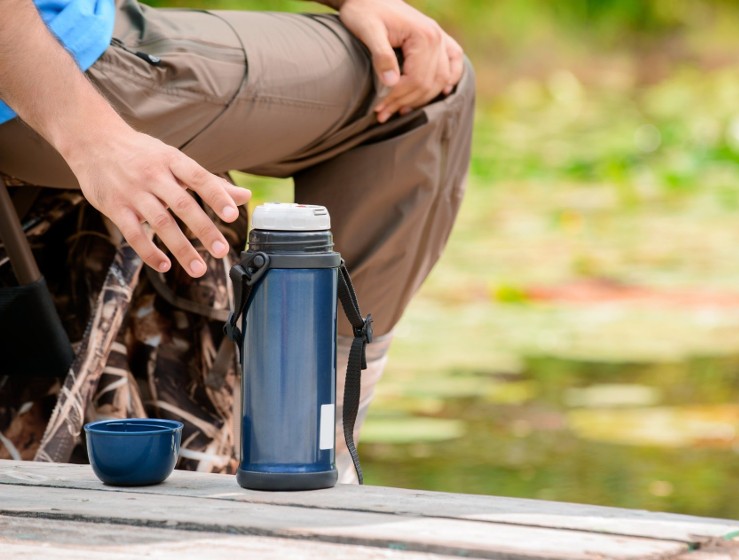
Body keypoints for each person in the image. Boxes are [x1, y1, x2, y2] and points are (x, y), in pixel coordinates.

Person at [0, 0, 474, 481]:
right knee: (426, 80)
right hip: (37, 62)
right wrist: (92, 137)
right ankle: (309, 443)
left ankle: (300, 438)